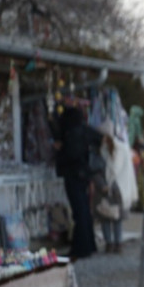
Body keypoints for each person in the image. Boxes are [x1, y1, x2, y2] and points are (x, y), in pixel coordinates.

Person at [53, 106, 98, 260]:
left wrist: (60, 150)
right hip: (84, 175)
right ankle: (88, 244)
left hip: (73, 175)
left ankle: (81, 248)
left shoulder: (72, 134)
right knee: (84, 211)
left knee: (79, 212)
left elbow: (70, 155)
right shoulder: (85, 131)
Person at [91, 122, 138, 254]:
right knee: (113, 217)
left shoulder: (103, 150)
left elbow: (99, 169)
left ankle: (111, 243)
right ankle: (116, 243)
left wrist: (103, 184)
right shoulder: (121, 149)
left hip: (112, 188)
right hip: (118, 188)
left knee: (108, 216)